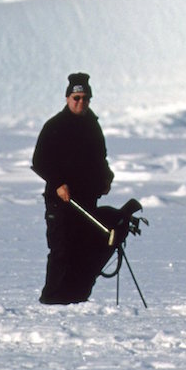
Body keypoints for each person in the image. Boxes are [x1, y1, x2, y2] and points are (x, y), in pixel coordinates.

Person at [32, 72, 115, 305]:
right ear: (68, 98)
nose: (81, 103)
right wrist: (58, 184)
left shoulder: (93, 126)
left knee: (82, 249)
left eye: (85, 98)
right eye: (76, 98)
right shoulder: (54, 126)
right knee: (61, 250)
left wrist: (106, 177)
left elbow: (100, 158)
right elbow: (39, 161)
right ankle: (52, 299)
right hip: (61, 202)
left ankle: (76, 298)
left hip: (87, 200)